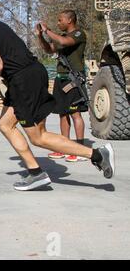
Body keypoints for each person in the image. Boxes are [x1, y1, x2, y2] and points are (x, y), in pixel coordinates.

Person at [0, 0, 115, 191]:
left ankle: (98, 155)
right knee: (5, 124)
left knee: (38, 137)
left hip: (23, 80)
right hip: (29, 75)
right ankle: (36, 172)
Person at [37, 10, 89, 162]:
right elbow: (48, 49)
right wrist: (41, 36)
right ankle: (65, 147)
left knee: (75, 113)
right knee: (62, 113)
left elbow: (65, 43)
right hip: (61, 79)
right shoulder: (62, 38)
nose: (58, 23)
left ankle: (80, 150)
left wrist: (48, 30)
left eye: (60, 20)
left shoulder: (78, 34)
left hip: (73, 80)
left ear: (70, 20)